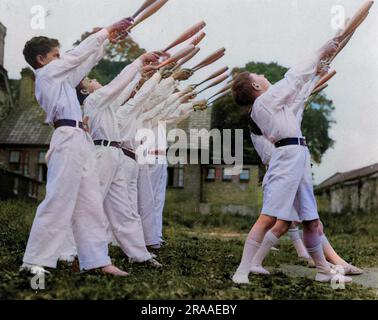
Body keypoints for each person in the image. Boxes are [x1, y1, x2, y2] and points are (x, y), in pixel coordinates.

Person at [231, 37, 353, 284]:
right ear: (255, 85)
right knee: (268, 219)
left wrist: (317, 74)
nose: (264, 75)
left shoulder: (275, 104)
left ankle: (322, 269)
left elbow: (298, 93)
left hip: (298, 156)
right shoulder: (264, 102)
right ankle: (242, 270)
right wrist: (320, 50)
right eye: (259, 75)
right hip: (285, 158)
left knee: (312, 221)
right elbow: (292, 79)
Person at [21, 18, 133, 276]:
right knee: (59, 199)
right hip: (66, 137)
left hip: (80, 139)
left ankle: (96, 261)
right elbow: (75, 58)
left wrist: (105, 42)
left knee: (91, 202)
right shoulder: (47, 75)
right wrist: (106, 31)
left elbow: (83, 62)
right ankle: (34, 261)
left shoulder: (60, 78)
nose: (61, 58)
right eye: (55, 55)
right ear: (42, 59)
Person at [79, 51, 164, 267]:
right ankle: (71, 251)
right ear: (85, 90)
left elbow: (126, 92)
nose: (96, 80)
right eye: (91, 81)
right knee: (91, 203)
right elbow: (118, 85)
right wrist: (138, 63)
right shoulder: (94, 100)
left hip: (114, 154)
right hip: (102, 153)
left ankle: (139, 254)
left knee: (124, 208)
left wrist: (140, 74)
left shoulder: (105, 103)